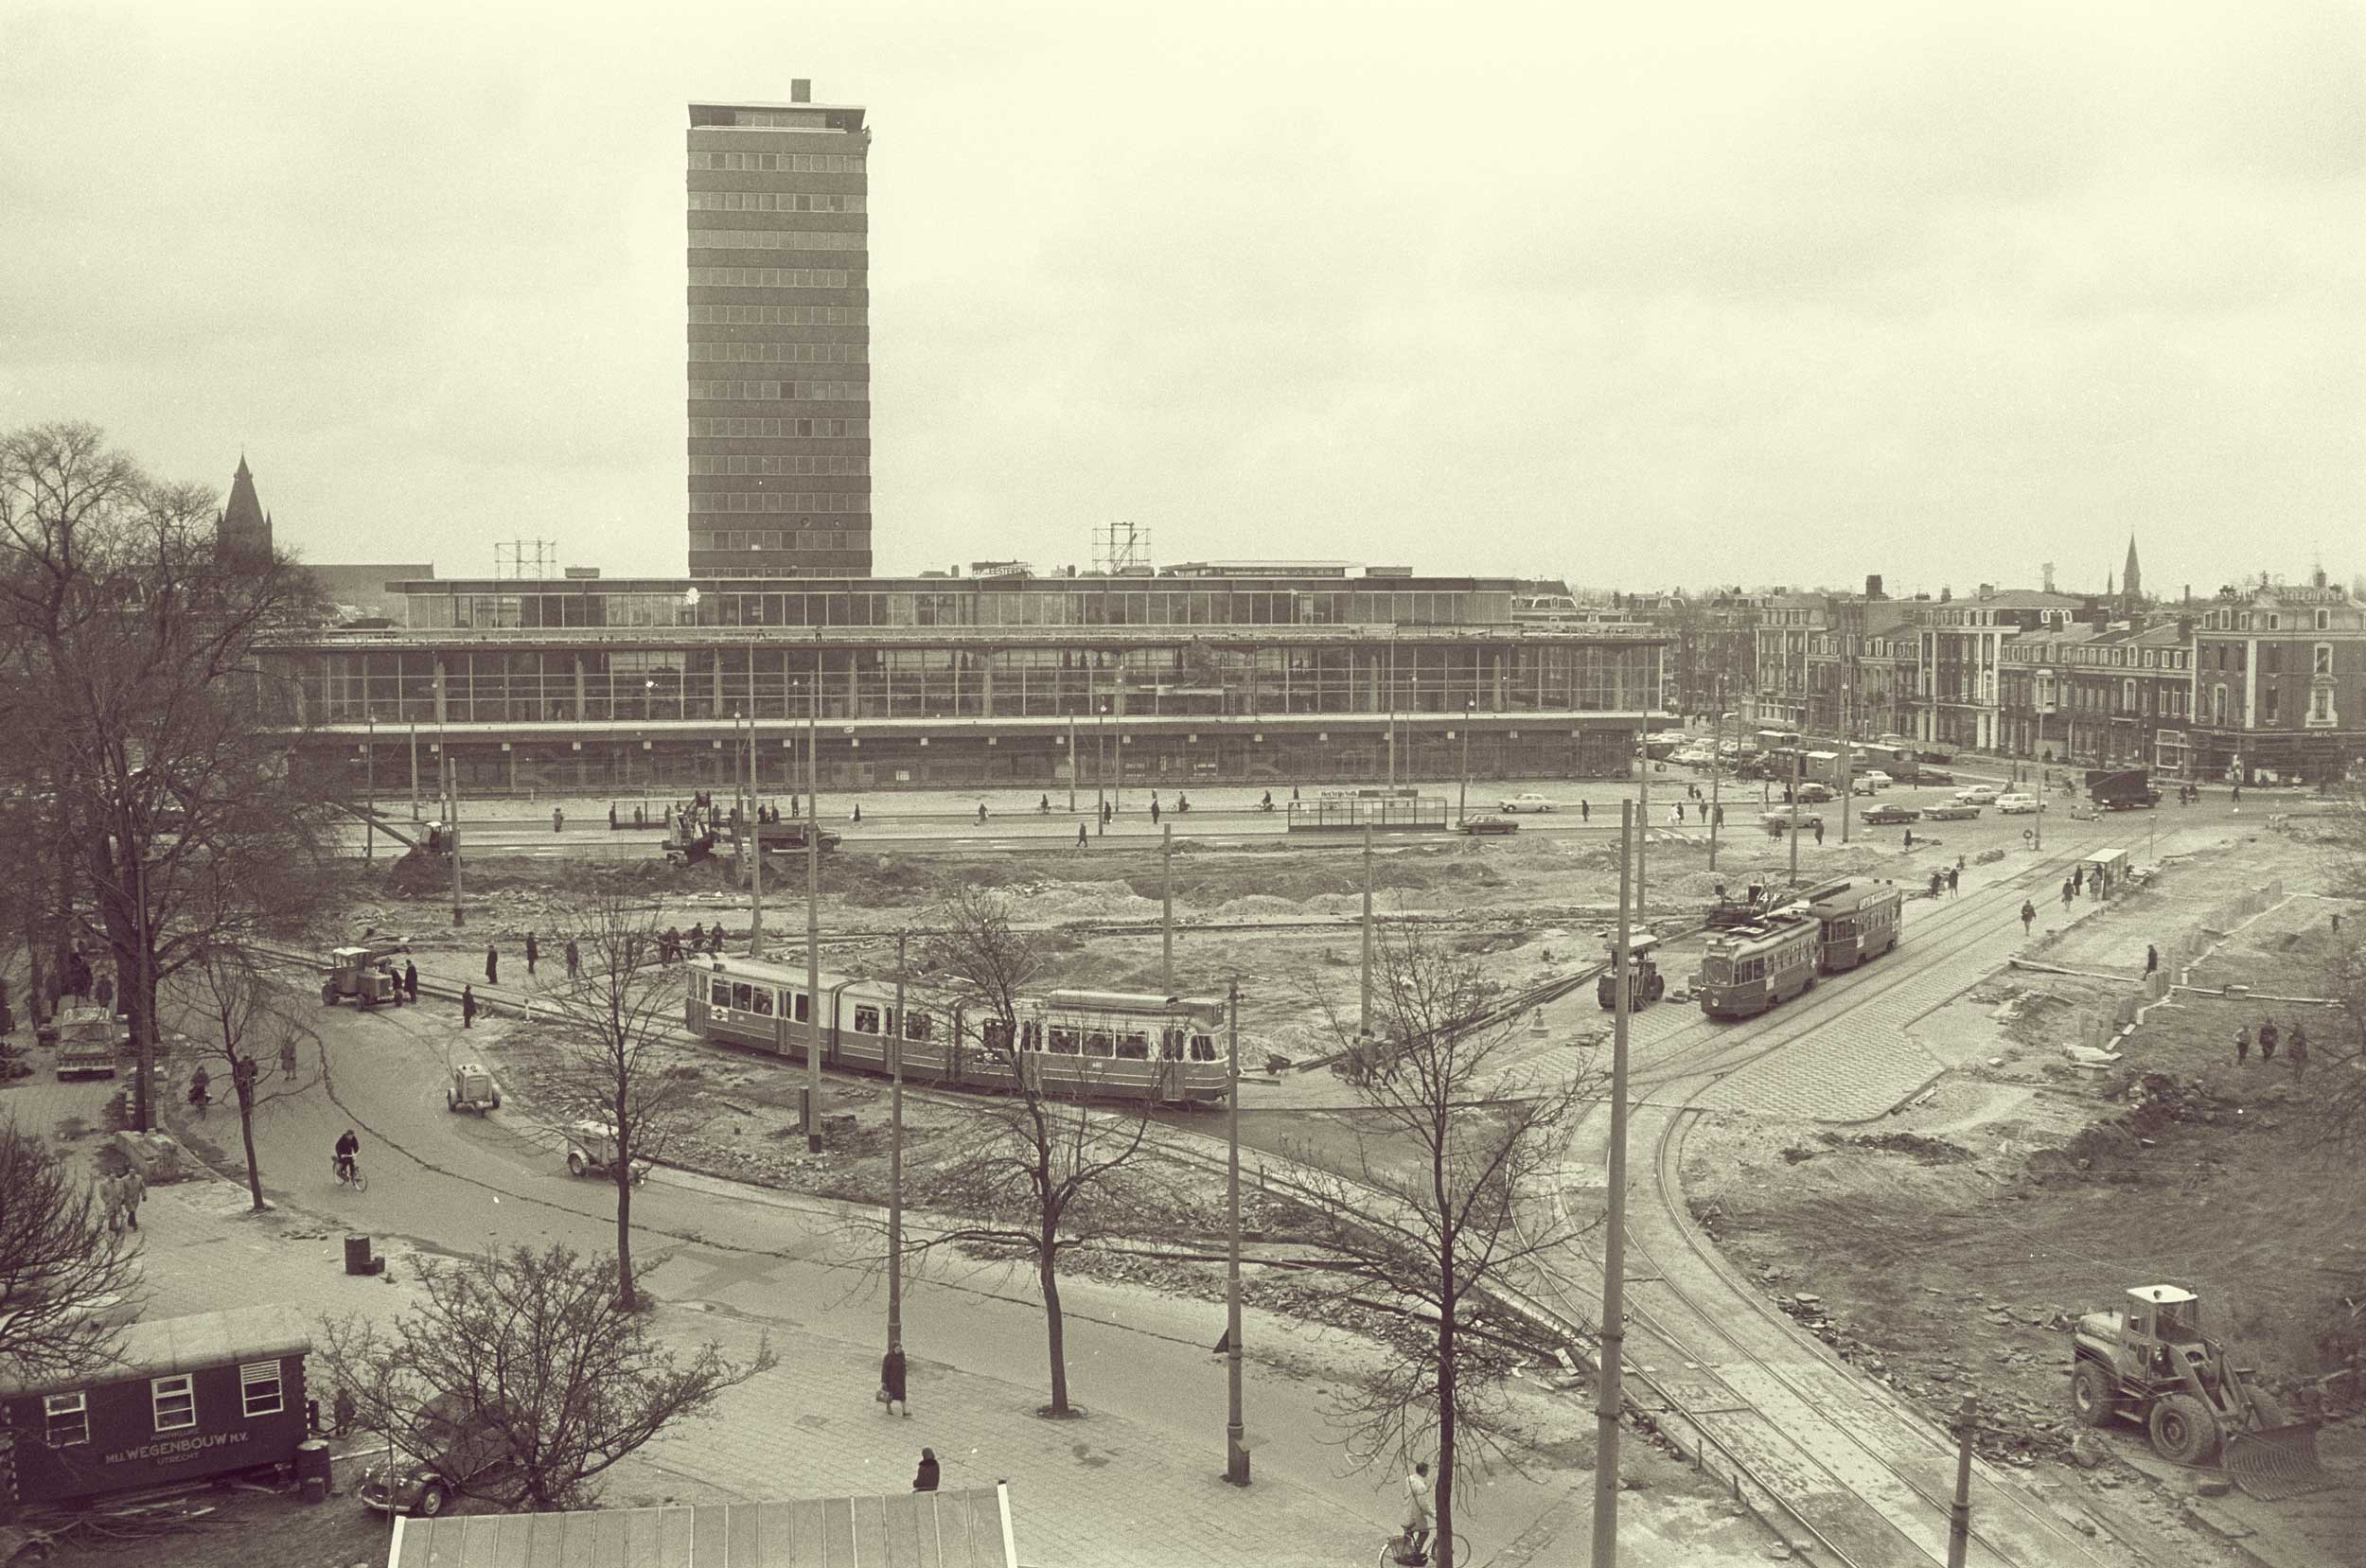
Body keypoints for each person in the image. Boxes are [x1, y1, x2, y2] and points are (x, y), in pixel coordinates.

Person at [1402, 1460, 1434, 1561]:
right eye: (1427, 1471)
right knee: (1425, 1532)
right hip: (1415, 1515)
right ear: (1423, 1472)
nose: (1428, 1473)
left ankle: (1406, 1555)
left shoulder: (1409, 1480)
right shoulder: (1421, 1486)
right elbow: (1424, 1505)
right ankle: (1415, 1556)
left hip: (1407, 1512)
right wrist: (1433, 1514)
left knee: (1408, 1535)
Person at [880, 1348, 909, 1417]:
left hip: (900, 1380)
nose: (898, 1350)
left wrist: (904, 1373)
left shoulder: (902, 1354)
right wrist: (883, 1381)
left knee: (902, 1395)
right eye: (897, 1349)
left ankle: (904, 1411)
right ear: (893, 1349)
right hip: (891, 1380)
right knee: (889, 1395)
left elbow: (904, 1365)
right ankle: (888, 1407)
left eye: (899, 1348)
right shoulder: (888, 1356)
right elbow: (884, 1370)